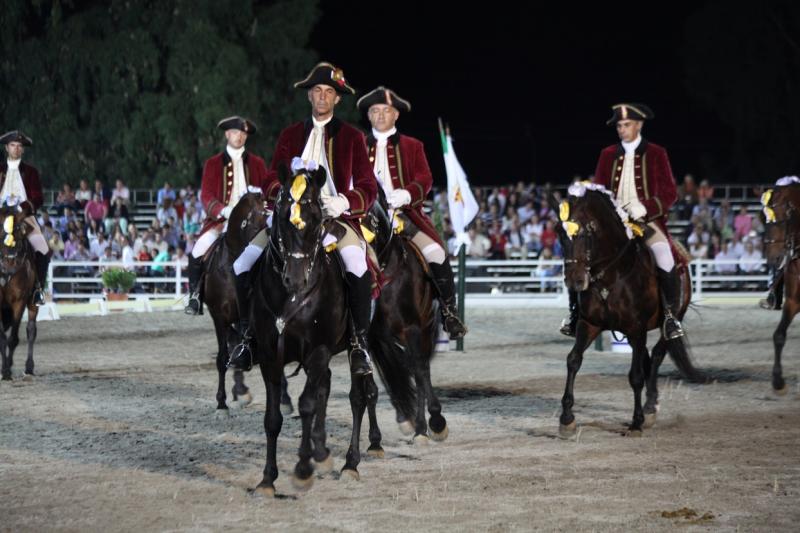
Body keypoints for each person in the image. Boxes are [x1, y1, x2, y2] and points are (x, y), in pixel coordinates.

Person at [251, 61, 378, 376]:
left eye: (329, 93)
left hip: (334, 217)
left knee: (358, 264)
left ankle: (359, 343)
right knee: (244, 261)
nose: (322, 97)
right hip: (291, 218)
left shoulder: (352, 136)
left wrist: (344, 202)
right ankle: (246, 336)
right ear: (309, 96)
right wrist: (282, 195)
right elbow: (270, 176)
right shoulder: (291, 133)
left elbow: (368, 185)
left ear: (337, 99)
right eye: (317, 91)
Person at [561, 103, 684, 339]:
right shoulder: (607, 154)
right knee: (578, 255)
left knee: (664, 254)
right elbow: (598, 189)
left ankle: (670, 317)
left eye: (626, 125)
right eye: (619, 125)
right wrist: (583, 192)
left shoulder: (657, 152)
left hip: (646, 221)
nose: (621, 129)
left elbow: (670, 193)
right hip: (613, 222)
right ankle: (576, 314)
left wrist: (645, 208)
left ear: (638, 125)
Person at [357, 85, 467, 338]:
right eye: (375, 111)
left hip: (405, 216)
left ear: (396, 115)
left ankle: (449, 312)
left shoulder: (412, 145)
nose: (381, 115)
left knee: (436, 253)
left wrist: (406, 194)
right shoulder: (358, 145)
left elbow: (425, 178)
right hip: (363, 217)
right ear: (369, 116)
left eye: (386, 110)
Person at [184, 116, 272, 345]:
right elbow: (206, 196)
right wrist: (222, 210)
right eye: (235, 132)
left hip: (253, 225)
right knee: (198, 249)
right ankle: (195, 295)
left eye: (243, 133)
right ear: (227, 134)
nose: (239, 136)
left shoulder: (258, 164)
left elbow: (268, 193)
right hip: (221, 221)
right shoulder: (213, 163)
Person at [0, 130, 50, 304]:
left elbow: (38, 198)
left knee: (43, 250)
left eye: (19, 146)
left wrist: (24, 208)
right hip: (1, 217)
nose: (16, 149)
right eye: (12, 145)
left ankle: (37, 290)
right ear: (7, 148)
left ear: (23, 150)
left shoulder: (31, 172)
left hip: (24, 217)